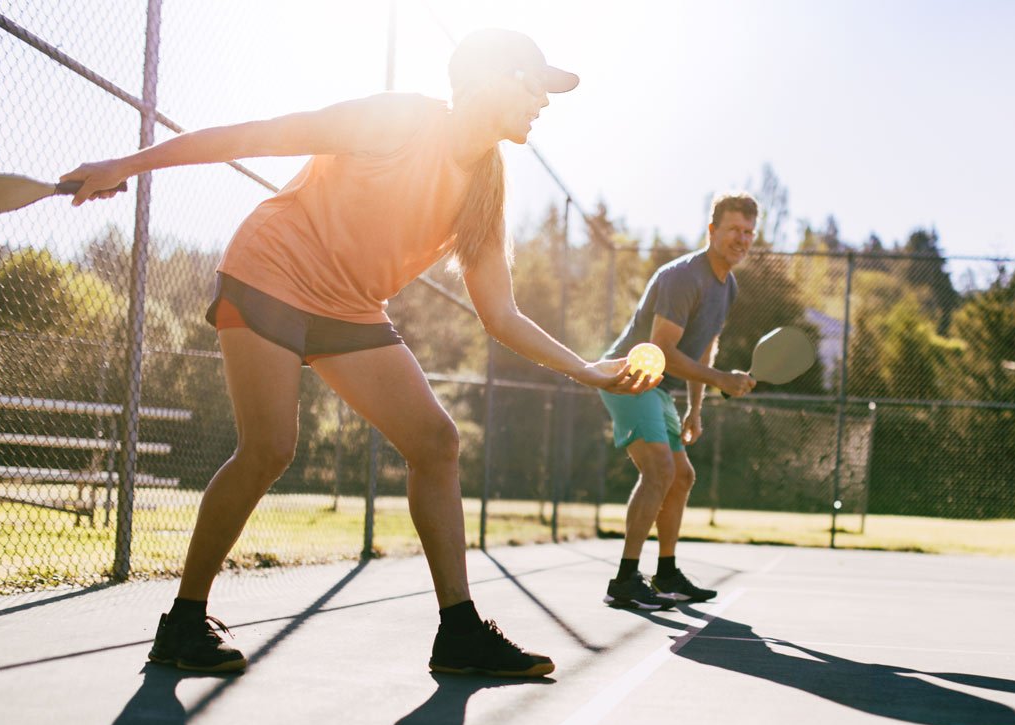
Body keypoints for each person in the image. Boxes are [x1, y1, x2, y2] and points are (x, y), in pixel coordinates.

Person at [62, 29, 658, 678]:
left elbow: (501, 315)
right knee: (269, 449)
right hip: (273, 268)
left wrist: (587, 369)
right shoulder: (401, 120)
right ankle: (183, 622)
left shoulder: (485, 186)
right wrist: (126, 164)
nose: (543, 102)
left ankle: (458, 633)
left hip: (348, 306)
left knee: (435, 442)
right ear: (494, 79)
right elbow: (258, 134)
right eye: (536, 85)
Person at [596, 193, 758, 609]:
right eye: (733, 230)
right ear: (712, 231)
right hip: (629, 377)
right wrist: (722, 380)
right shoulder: (684, 276)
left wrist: (696, 407)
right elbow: (663, 350)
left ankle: (666, 574)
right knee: (659, 470)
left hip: (659, 387)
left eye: (748, 232)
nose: (741, 239)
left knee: (682, 477)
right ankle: (625, 580)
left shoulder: (728, 286)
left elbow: (703, 349)